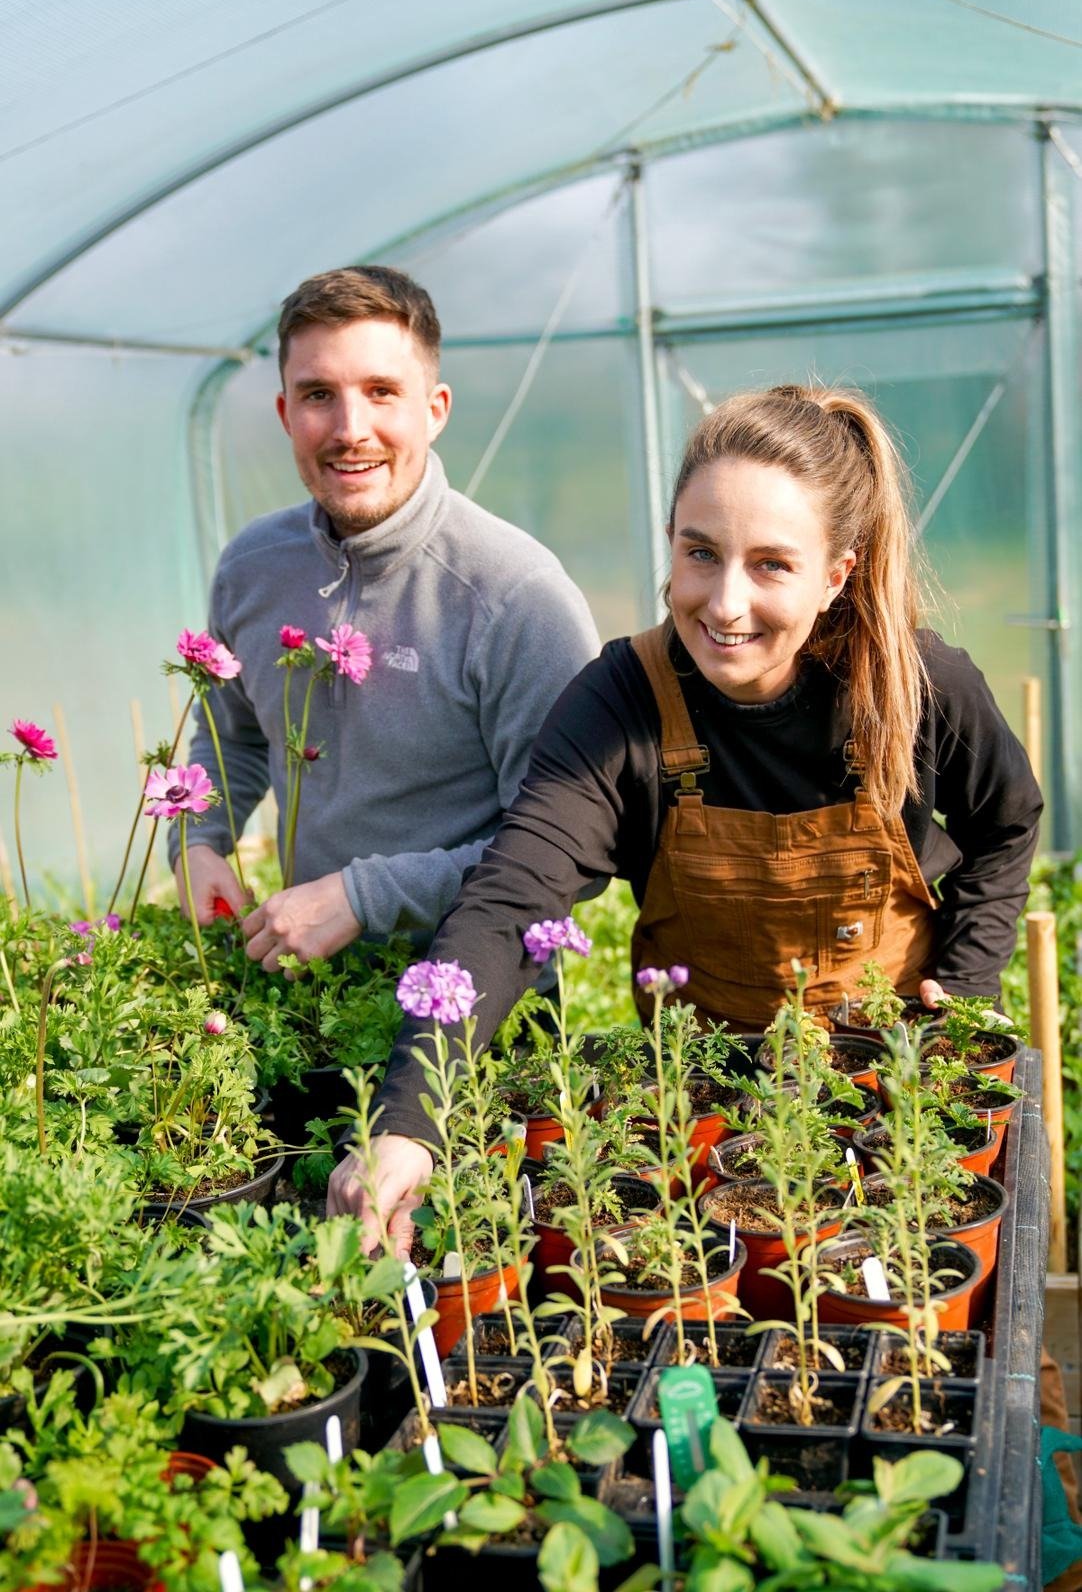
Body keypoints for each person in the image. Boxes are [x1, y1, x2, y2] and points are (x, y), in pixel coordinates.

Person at [327, 381, 1042, 1248]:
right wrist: (410, 1119)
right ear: (670, 543)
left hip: (895, 1087)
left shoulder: (916, 686)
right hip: (709, 1115)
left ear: (836, 574)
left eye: (772, 564)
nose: (725, 603)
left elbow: (1008, 823)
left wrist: (966, 986)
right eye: (701, 553)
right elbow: (514, 897)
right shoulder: (623, 703)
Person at [168, 265, 599, 967]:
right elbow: (234, 739)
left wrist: (363, 898)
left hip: (474, 1010)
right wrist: (198, 840)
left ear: (435, 408)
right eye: (318, 395)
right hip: (302, 990)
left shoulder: (518, 597)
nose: (350, 429)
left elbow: (570, 851)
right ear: (285, 414)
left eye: (381, 393)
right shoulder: (253, 569)